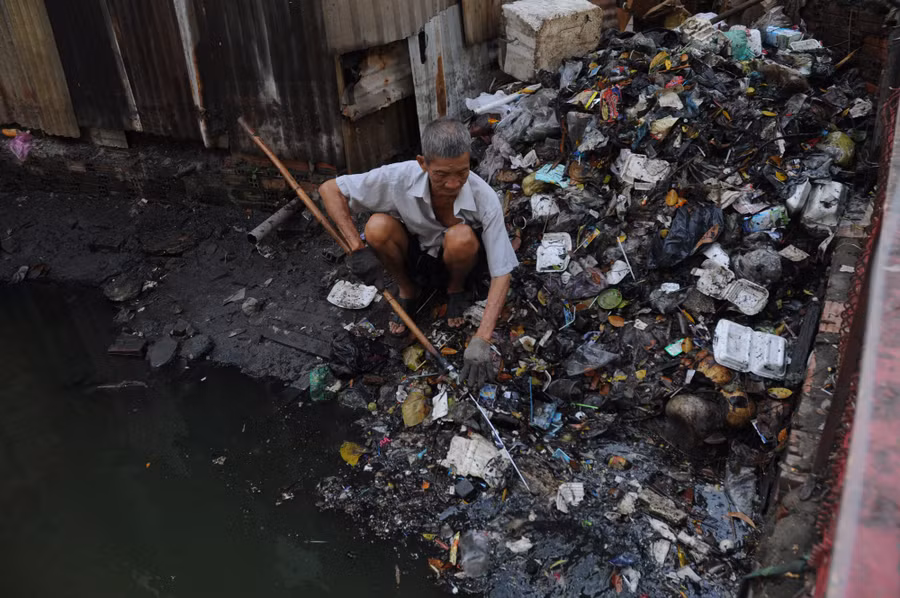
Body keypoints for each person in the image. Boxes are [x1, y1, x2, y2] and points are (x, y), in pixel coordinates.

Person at [318, 118, 518, 388]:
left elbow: (502, 271)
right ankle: (408, 290)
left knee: (460, 237)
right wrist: (357, 248)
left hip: (460, 261)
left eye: (461, 172)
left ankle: (456, 290)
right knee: (376, 227)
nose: (452, 184)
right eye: (441, 175)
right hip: (418, 255)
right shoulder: (399, 177)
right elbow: (329, 189)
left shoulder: (485, 198)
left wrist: (482, 337)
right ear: (423, 163)